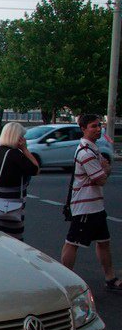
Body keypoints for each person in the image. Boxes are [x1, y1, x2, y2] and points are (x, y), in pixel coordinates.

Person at [61, 114, 122, 291]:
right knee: (72, 242)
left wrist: (104, 170)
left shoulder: (93, 149)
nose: (98, 129)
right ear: (83, 129)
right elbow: (101, 179)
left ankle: (110, 278)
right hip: (84, 207)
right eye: (93, 126)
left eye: (99, 126)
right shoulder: (86, 153)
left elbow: (103, 173)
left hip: (96, 206)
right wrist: (104, 169)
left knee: (104, 241)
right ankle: (63, 279)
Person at [0, 121, 40, 240]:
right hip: (11, 203)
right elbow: (35, 169)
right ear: (17, 137)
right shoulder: (16, 155)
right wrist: (25, 149)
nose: (24, 139)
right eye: (22, 136)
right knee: (13, 240)